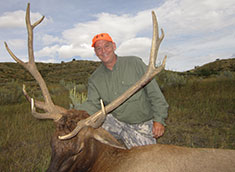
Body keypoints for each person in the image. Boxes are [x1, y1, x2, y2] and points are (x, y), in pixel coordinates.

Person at [77, 33, 169, 149]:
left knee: (146, 158)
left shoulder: (135, 63)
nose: (103, 51)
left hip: (141, 124)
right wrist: (71, 115)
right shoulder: (95, 78)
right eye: (98, 48)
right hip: (117, 121)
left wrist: (159, 120)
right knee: (90, 128)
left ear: (114, 46)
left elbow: (155, 94)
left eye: (107, 46)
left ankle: (127, 138)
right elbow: (92, 104)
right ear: (95, 52)